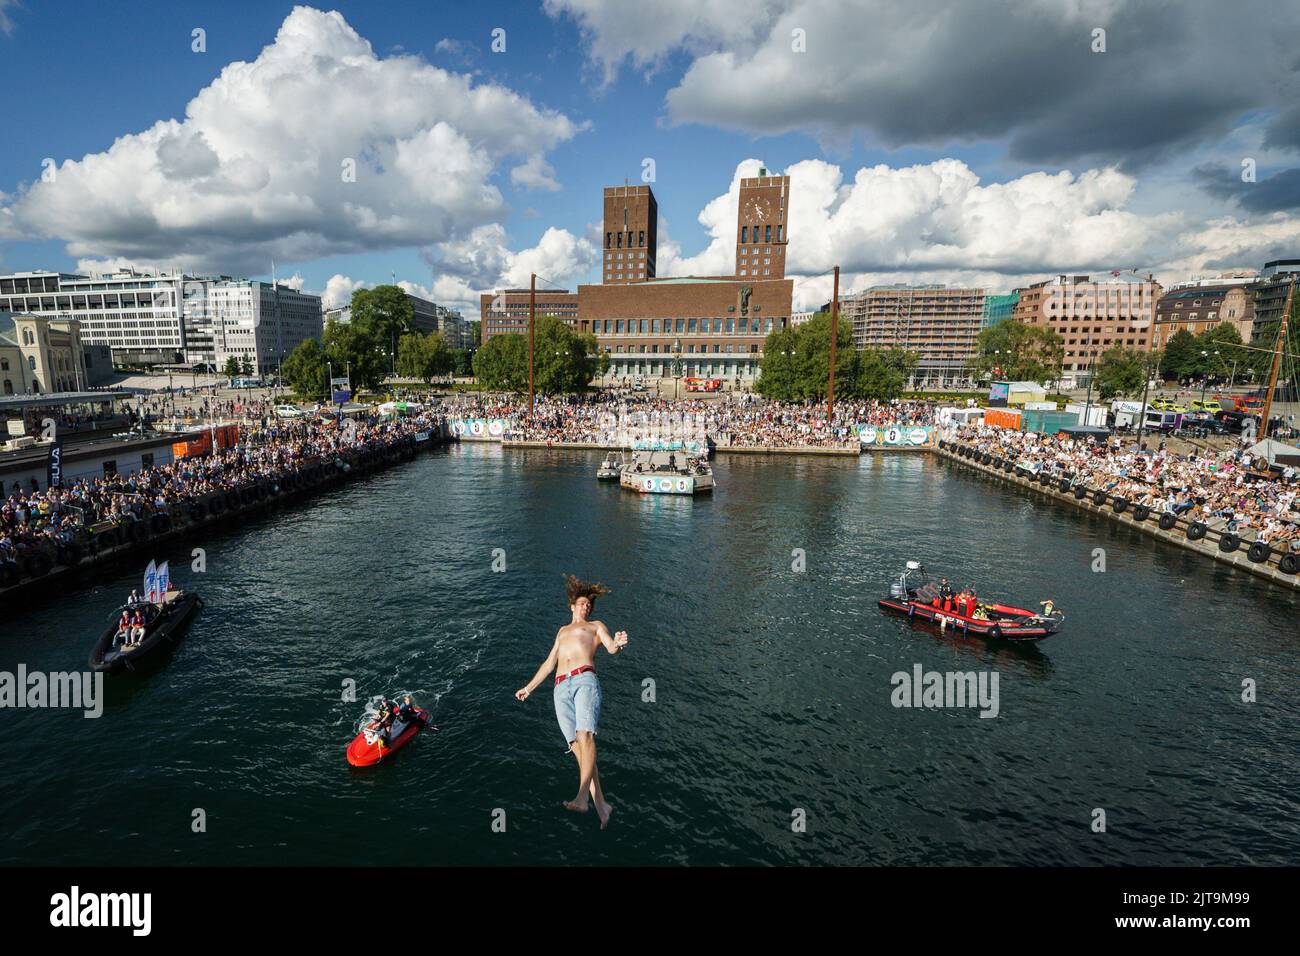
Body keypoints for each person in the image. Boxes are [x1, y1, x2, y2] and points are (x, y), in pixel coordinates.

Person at [516, 574, 628, 829]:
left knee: (585, 735)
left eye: (589, 605)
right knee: (578, 748)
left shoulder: (596, 626)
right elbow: (549, 663)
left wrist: (619, 645)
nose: (586, 607)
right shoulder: (562, 631)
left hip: (584, 680)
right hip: (560, 688)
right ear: (572, 607)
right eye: (582, 604)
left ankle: (582, 797)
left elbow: (610, 648)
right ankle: (601, 804)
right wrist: (528, 688)